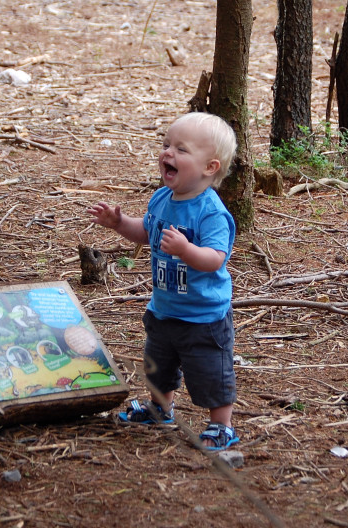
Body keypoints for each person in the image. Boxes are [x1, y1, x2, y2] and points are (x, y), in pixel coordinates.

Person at [87, 112, 240, 451]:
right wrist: (118, 223)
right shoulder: (161, 198)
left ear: (209, 167)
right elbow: (145, 231)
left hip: (203, 316)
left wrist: (186, 250)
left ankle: (221, 425)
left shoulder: (210, 211)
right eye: (166, 145)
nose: (168, 153)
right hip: (164, 308)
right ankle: (161, 409)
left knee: (211, 372)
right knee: (158, 366)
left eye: (181, 150)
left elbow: (216, 258)